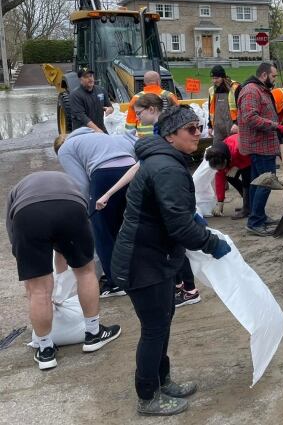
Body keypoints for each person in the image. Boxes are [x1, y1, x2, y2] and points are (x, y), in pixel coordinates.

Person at [111, 106, 231, 416]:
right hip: (143, 262)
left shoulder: (164, 162)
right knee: (154, 328)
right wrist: (211, 242)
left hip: (156, 258)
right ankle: (148, 395)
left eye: (199, 127)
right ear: (170, 135)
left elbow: (171, 213)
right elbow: (179, 226)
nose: (198, 133)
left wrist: (191, 219)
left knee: (162, 323)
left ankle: (162, 380)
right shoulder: (166, 168)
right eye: (191, 129)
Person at [96, 94, 204, 308]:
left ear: (152, 110)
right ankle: (181, 284)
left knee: (178, 237)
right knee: (175, 239)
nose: (137, 118)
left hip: (171, 193)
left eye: (139, 113)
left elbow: (143, 167)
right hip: (169, 194)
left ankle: (189, 289)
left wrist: (109, 192)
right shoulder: (160, 135)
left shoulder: (163, 134)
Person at [6, 171, 122, 370]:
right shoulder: (68, 181)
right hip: (71, 208)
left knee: (39, 290)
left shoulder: (16, 191)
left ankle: (45, 351)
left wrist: (32, 276)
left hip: (27, 215)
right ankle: (93, 334)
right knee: (85, 272)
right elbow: (70, 236)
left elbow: (13, 232)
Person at [55, 127, 137, 297]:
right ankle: (137, 272)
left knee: (103, 233)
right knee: (127, 227)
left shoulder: (65, 148)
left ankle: (115, 283)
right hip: (131, 171)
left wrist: (87, 210)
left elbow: (81, 184)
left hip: (104, 175)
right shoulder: (102, 136)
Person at [238, 62, 283, 236]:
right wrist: (274, 126)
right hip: (259, 146)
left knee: (257, 183)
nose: (274, 80)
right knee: (266, 183)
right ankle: (255, 222)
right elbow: (250, 117)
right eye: (273, 76)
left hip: (263, 145)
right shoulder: (251, 90)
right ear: (264, 75)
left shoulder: (260, 89)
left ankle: (258, 215)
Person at [206, 135, 252, 220]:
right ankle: (248, 202)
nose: (222, 170)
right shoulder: (217, 155)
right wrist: (220, 203)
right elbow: (220, 180)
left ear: (225, 159)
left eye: (222, 167)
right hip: (234, 160)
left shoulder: (237, 148)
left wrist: (237, 166)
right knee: (230, 177)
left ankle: (247, 208)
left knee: (247, 180)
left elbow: (249, 159)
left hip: (247, 157)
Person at [125, 71, 179, 137]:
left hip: (144, 139)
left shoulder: (136, 98)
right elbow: (178, 117)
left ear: (144, 83)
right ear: (159, 82)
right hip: (166, 136)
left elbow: (130, 126)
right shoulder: (169, 95)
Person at [69, 68, 113, 133]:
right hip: (83, 132)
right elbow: (82, 117)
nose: (90, 78)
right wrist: (97, 130)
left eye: (91, 76)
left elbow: (110, 106)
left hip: (99, 129)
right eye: (86, 77)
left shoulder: (101, 90)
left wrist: (110, 109)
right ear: (81, 80)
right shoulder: (75, 95)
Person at [206, 65, 241, 144]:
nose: (214, 81)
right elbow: (210, 109)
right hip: (218, 128)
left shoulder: (235, 88)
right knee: (217, 151)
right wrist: (210, 126)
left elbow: (242, 108)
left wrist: (237, 124)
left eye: (217, 78)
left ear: (223, 77)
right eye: (213, 78)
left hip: (232, 127)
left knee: (233, 150)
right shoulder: (212, 90)